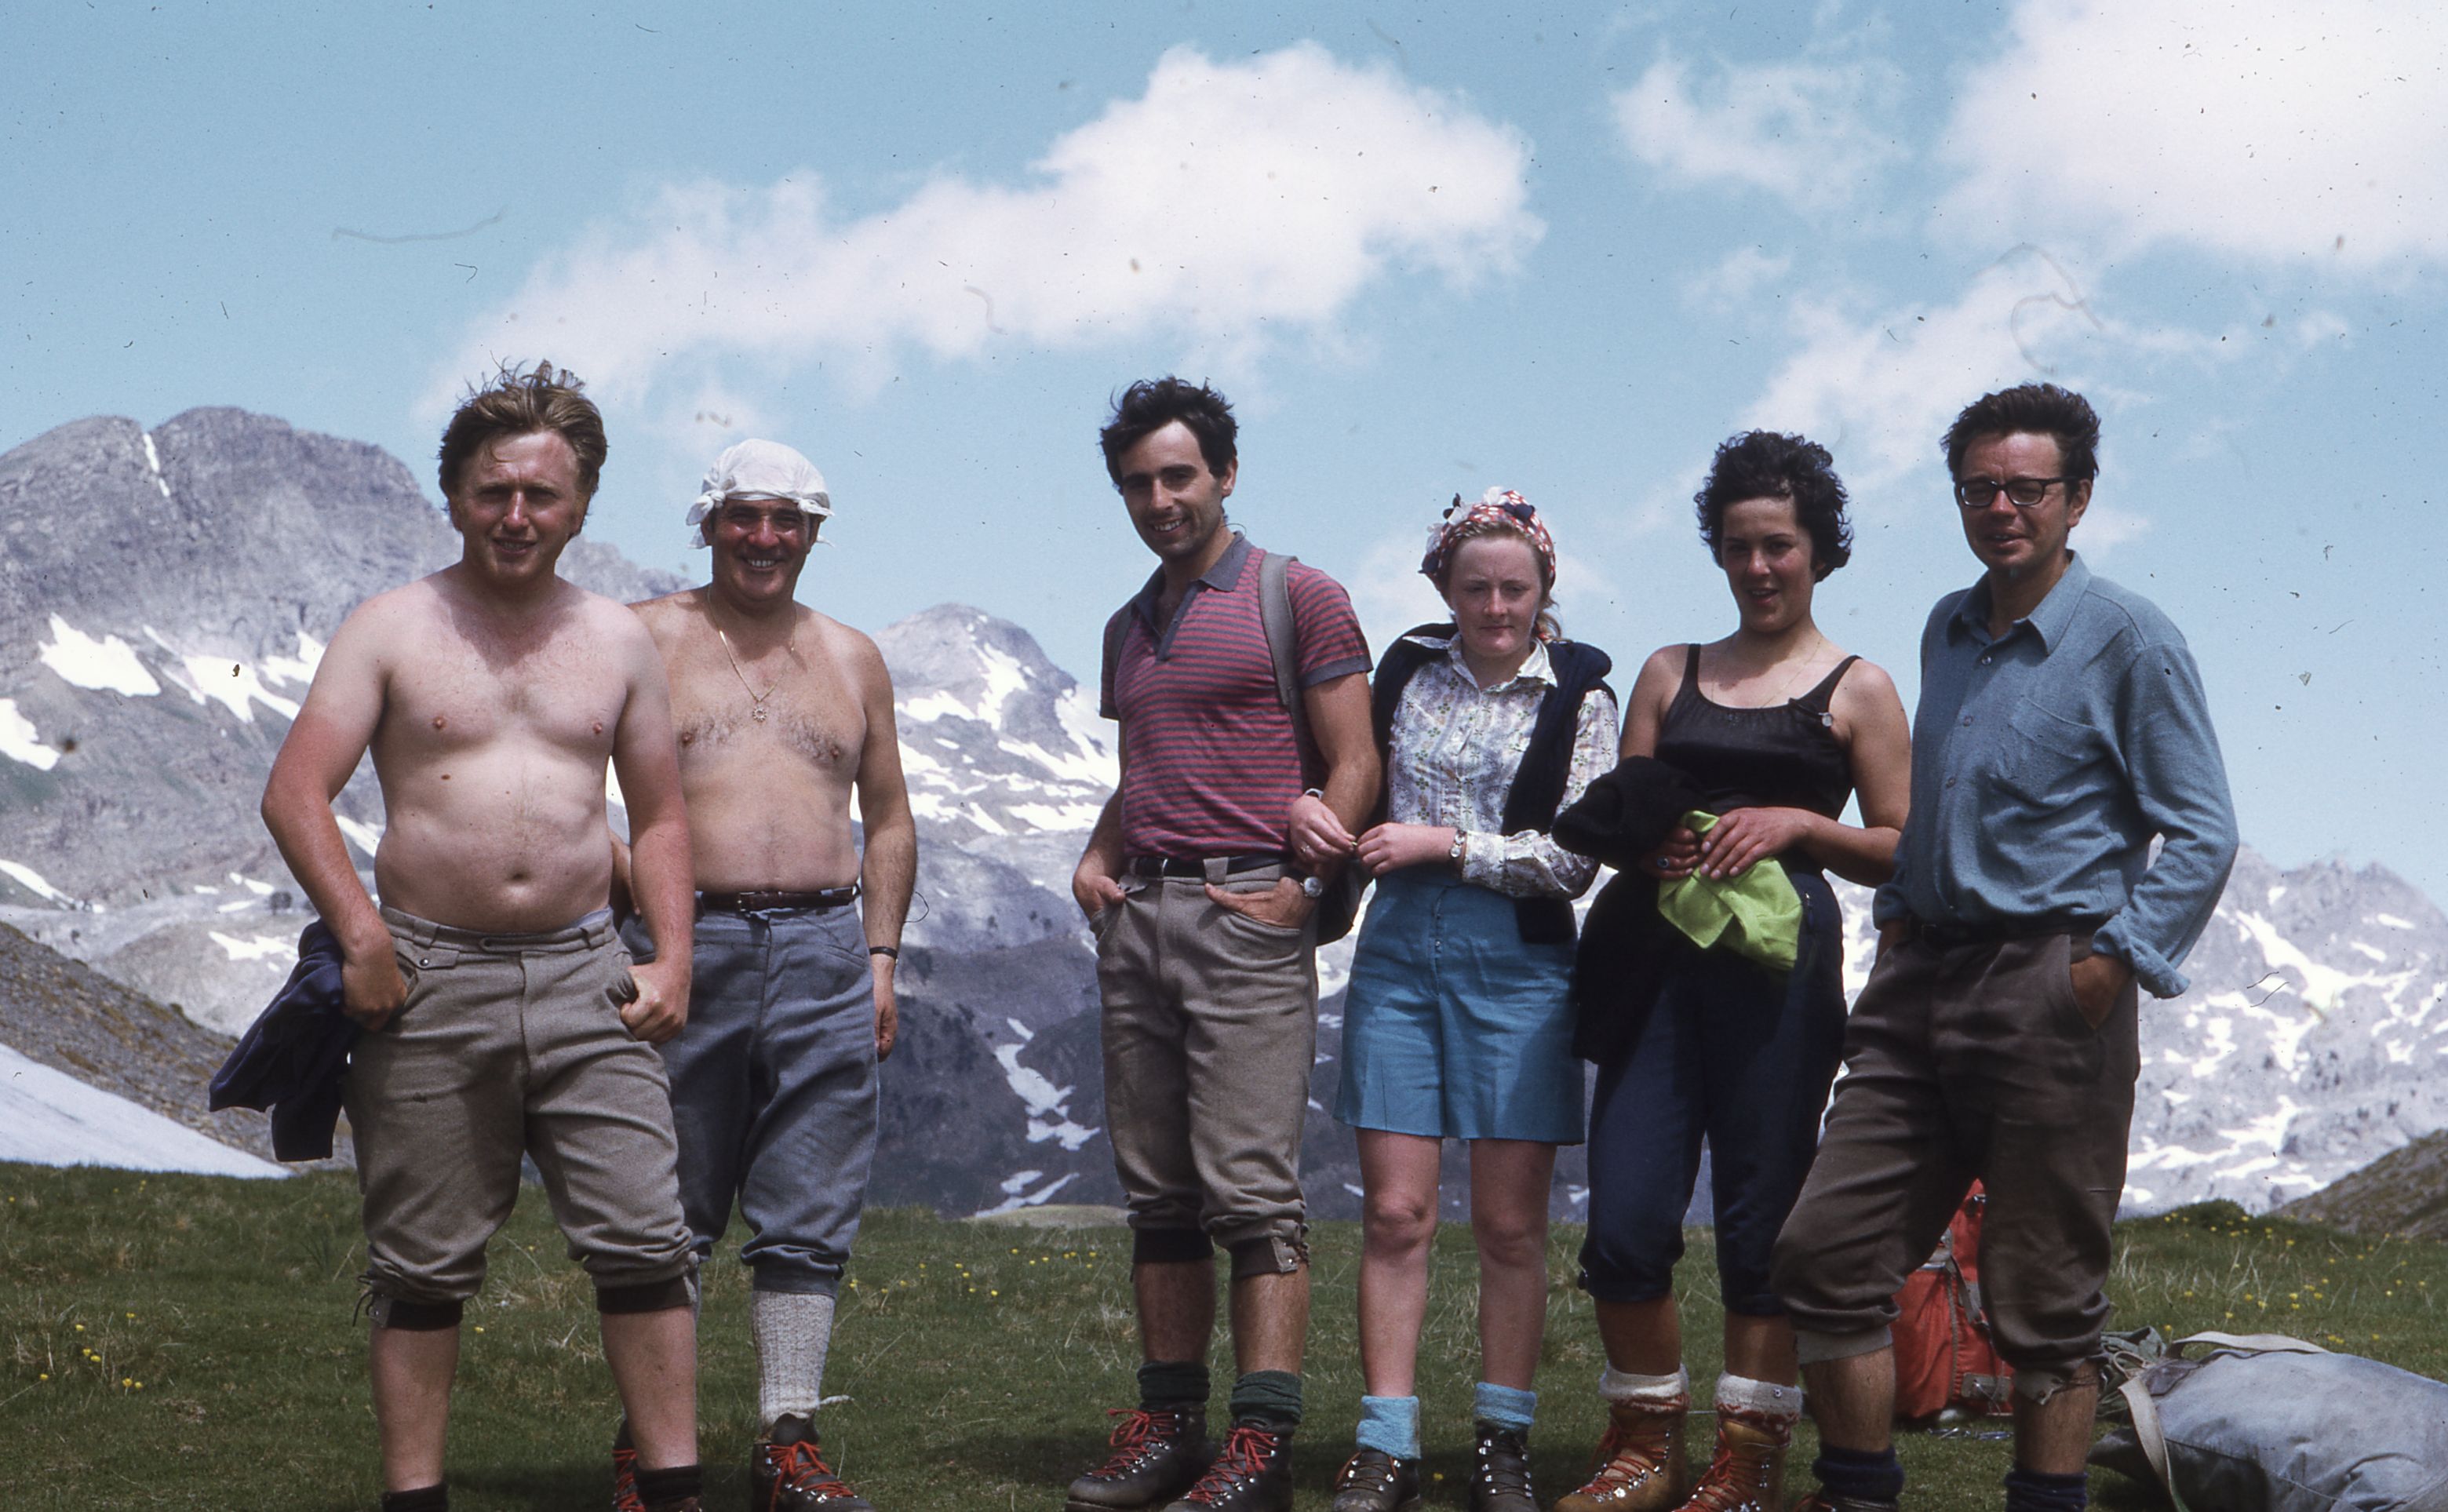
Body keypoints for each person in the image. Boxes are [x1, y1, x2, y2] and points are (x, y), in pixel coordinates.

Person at [1770, 384, 2238, 1512]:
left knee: (2045, 1304)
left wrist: (2109, 963)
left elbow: (2204, 829)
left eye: (2028, 489)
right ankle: (1860, 1497)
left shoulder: (2129, 638)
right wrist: (1897, 919)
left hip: (2050, 986)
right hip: (1919, 979)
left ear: (2079, 497)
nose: (2002, 509)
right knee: (1825, 1257)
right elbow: (1937, 799)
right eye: (1979, 488)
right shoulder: (1948, 625)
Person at [260, 363, 705, 1512]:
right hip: (426, 975)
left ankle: (676, 1493)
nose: (517, 515)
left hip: (587, 975)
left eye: (542, 495)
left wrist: (672, 956)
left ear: (581, 506)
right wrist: (361, 938)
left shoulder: (617, 640)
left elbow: (659, 816)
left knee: (645, 1239)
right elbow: (296, 792)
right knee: (421, 1264)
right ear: (454, 496)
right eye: (493, 491)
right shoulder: (390, 628)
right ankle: (415, 1499)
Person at [1556, 432, 1911, 1512]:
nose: (1759, 567)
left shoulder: (1861, 688)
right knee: (1625, 1216)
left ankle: (1748, 1461)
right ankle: (1647, 1450)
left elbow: (1903, 845)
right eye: (1738, 546)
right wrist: (1647, 835)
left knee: (1765, 1218)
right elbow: (1623, 810)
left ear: (1821, 552)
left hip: (1779, 968)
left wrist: (1801, 824)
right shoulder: (1671, 670)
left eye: (1780, 546)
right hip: (1653, 957)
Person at [1066, 377, 1379, 1512]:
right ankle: (1170, 1432)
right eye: (1137, 484)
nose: (1159, 500)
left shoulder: (1298, 596)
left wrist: (1304, 891)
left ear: (1227, 474)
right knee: (1158, 1197)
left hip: (1248, 914)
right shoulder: (1126, 626)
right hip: (1142, 916)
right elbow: (1150, 766)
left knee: (1251, 1195)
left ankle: (1261, 1448)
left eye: (1179, 476)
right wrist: (1099, 853)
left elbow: (1356, 761)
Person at [616, 439, 916, 1512]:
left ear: (814, 533)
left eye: (788, 519)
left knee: (811, 1202)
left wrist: (880, 958)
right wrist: (641, 918)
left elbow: (889, 817)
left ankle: (788, 1442)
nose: (765, 537)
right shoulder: (644, 637)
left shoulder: (852, 657)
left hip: (828, 947)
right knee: (667, 1209)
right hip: (687, 941)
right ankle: (651, 1454)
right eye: (744, 515)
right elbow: (563, 780)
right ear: (708, 522)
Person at [1321, 490, 1619, 1512]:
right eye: (1476, 587)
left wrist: (1445, 846)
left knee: (1508, 1225)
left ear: (1544, 590)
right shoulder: (1405, 670)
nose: (1496, 607)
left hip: (1522, 967)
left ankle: (1503, 1444)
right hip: (1399, 956)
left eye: (1515, 589)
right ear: (1445, 587)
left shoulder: (1582, 695)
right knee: (1395, 1213)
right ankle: (1386, 1445)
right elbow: (1349, 775)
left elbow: (1576, 858)